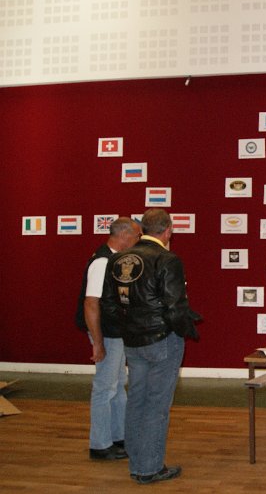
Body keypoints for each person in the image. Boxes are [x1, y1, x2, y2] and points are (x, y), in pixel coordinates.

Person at [102, 208, 201, 485]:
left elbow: (108, 304)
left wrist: (129, 327)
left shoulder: (118, 258)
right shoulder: (167, 259)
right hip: (162, 340)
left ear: (142, 228)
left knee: (136, 401)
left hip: (133, 341)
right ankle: (149, 468)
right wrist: (184, 330)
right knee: (157, 405)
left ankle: (137, 463)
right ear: (168, 231)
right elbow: (175, 305)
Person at [75, 216, 141, 460]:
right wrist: (98, 343)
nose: (138, 240)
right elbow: (90, 304)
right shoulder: (102, 262)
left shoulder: (114, 260)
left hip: (116, 332)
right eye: (137, 236)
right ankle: (100, 444)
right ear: (124, 235)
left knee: (118, 384)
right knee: (105, 387)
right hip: (107, 334)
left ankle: (118, 436)